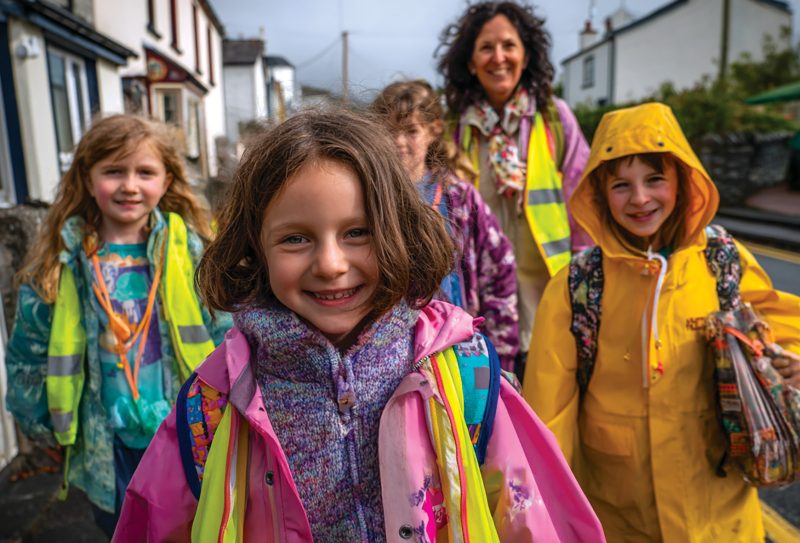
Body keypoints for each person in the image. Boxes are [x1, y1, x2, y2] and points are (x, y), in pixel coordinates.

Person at [112, 109, 605, 542]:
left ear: (401, 231)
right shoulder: (214, 404)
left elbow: (529, 517)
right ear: (253, 247)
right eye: (296, 239)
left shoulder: (465, 381)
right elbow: (158, 522)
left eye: (357, 232)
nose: (330, 264)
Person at [524, 102, 800, 541]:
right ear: (600, 194)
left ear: (683, 180)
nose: (640, 198)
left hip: (720, 514)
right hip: (618, 518)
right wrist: (545, 513)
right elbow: (550, 413)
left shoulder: (721, 261)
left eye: (655, 179)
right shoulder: (577, 285)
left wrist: (795, 362)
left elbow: (789, 325)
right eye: (621, 185)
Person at [4, 114, 232, 537]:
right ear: (88, 180)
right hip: (105, 441)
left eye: (145, 172)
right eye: (113, 171)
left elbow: (225, 331)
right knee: (121, 528)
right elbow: (28, 350)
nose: (129, 185)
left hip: (185, 429)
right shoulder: (61, 261)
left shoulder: (191, 251)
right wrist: (43, 422)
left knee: (189, 527)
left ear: (166, 181)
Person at [437, 1, 593, 379]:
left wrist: (586, 291)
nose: (498, 57)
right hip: (478, 314)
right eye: (486, 48)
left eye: (509, 45)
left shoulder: (555, 119)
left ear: (526, 55)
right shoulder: (451, 130)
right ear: (471, 62)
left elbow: (586, 207)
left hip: (550, 307)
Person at [371, 80, 519, 370]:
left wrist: (500, 355)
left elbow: (499, 269)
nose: (398, 142)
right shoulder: (369, 200)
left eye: (410, 131)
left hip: (462, 353)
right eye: (389, 131)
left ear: (433, 131)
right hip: (392, 358)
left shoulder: (460, 200)